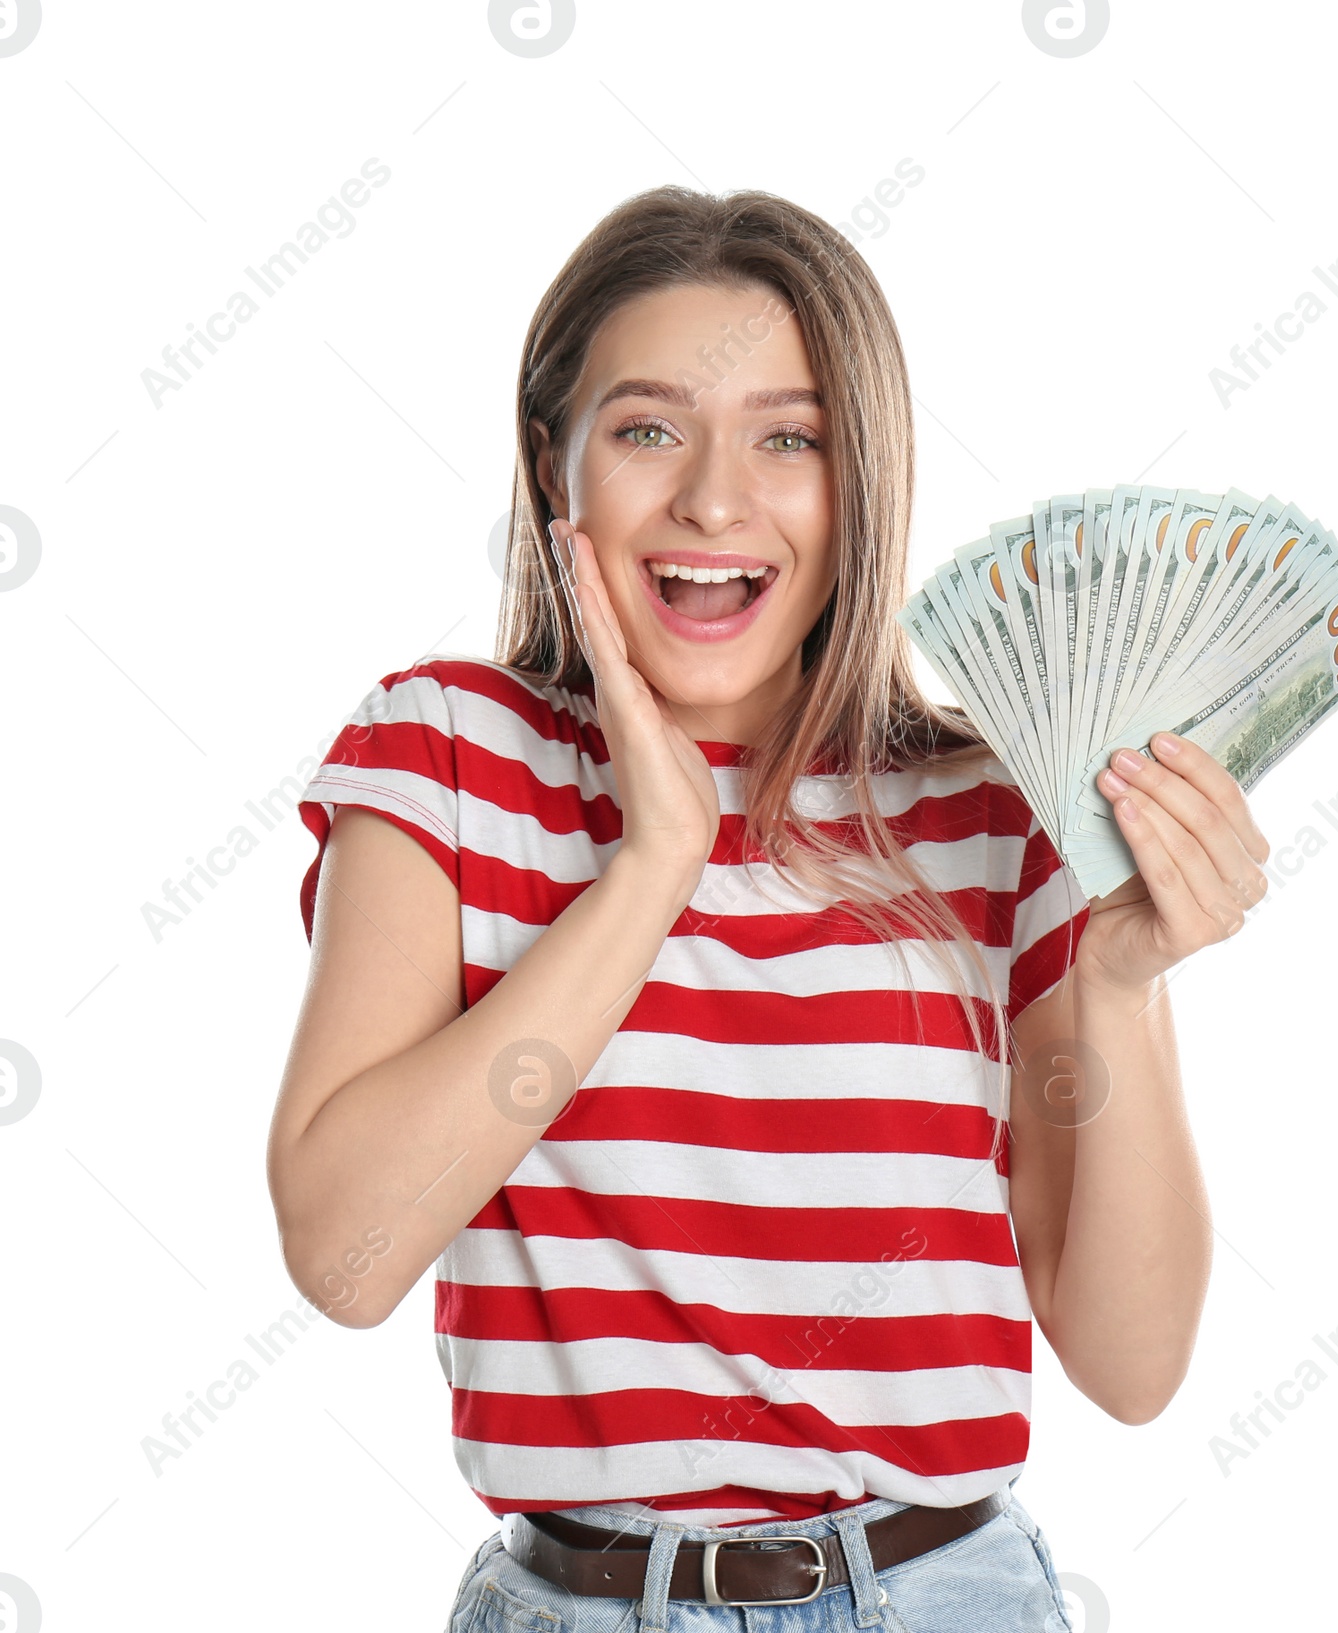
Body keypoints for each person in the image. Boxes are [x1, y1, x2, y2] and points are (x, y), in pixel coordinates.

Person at [267, 185, 1271, 1632]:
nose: (715, 502)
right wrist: (651, 863)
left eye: (789, 438)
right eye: (648, 429)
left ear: (861, 482)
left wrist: (1118, 981)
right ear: (556, 467)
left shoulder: (998, 808)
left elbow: (1132, 1360)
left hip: (941, 1596)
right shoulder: (451, 757)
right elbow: (342, 1253)